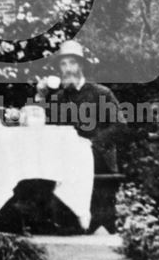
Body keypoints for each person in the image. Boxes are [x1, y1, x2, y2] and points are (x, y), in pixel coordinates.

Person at [35, 40, 121, 174]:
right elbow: (45, 129)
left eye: (72, 63)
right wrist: (40, 97)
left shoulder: (101, 93)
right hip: (67, 166)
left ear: (81, 65)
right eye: (63, 64)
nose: (68, 69)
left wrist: (91, 143)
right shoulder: (58, 98)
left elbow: (119, 126)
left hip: (99, 166)